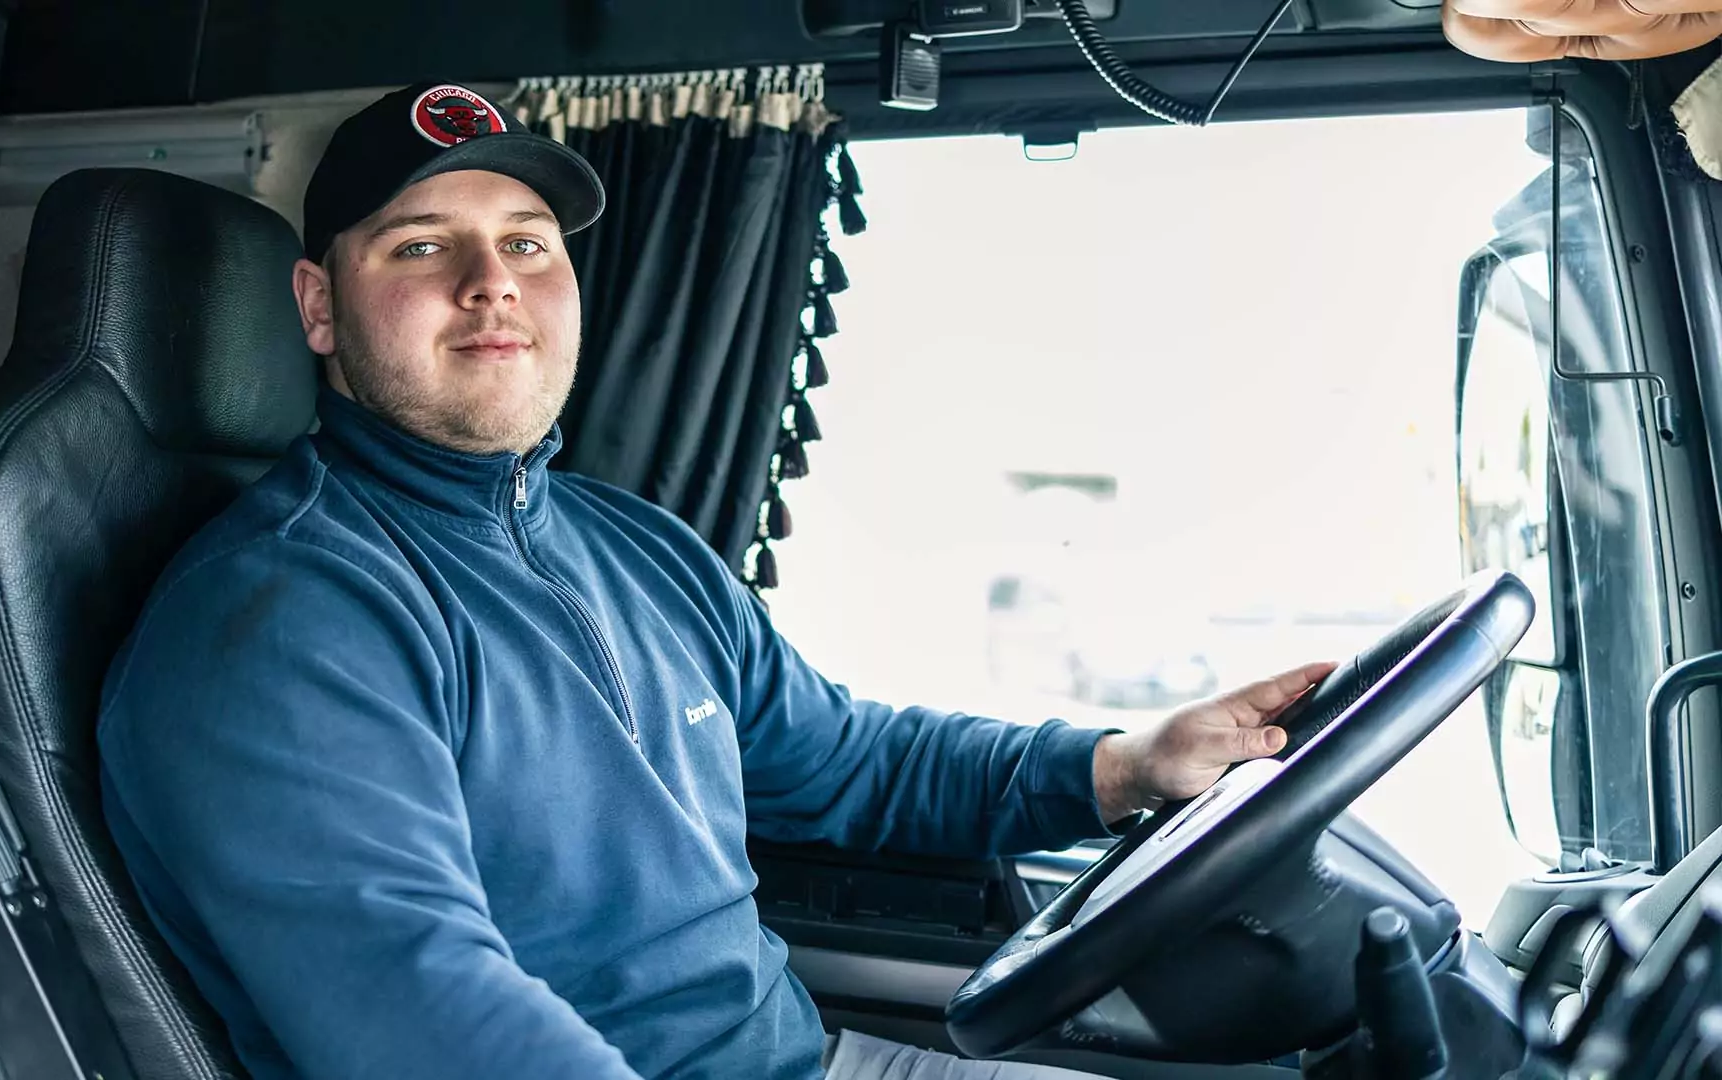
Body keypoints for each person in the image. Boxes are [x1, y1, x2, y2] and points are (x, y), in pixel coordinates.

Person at [95, 81, 1335, 1080]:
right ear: (318, 307)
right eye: (424, 246)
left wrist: (1127, 767)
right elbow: (419, 1010)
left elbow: (848, 761)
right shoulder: (279, 614)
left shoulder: (636, 548)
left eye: (527, 242)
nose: (495, 283)